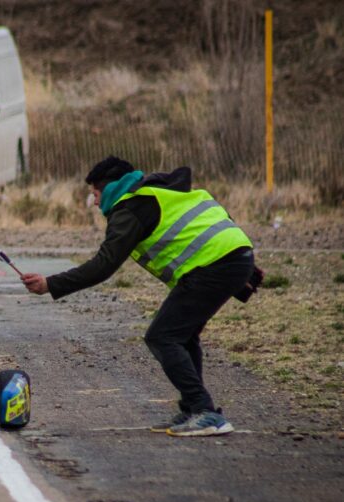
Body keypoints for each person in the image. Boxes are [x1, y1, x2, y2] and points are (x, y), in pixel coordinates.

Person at [22, 156, 259, 437]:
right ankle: (192, 410)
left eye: (95, 194)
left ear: (109, 189)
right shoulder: (162, 190)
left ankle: (205, 412)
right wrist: (246, 268)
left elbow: (103, 265)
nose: (95, 203)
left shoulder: (130, 208)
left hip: (214, 265)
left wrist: (51, 284)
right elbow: (214, 222)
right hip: (234, 256)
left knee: (162, 336)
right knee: (182, 336)